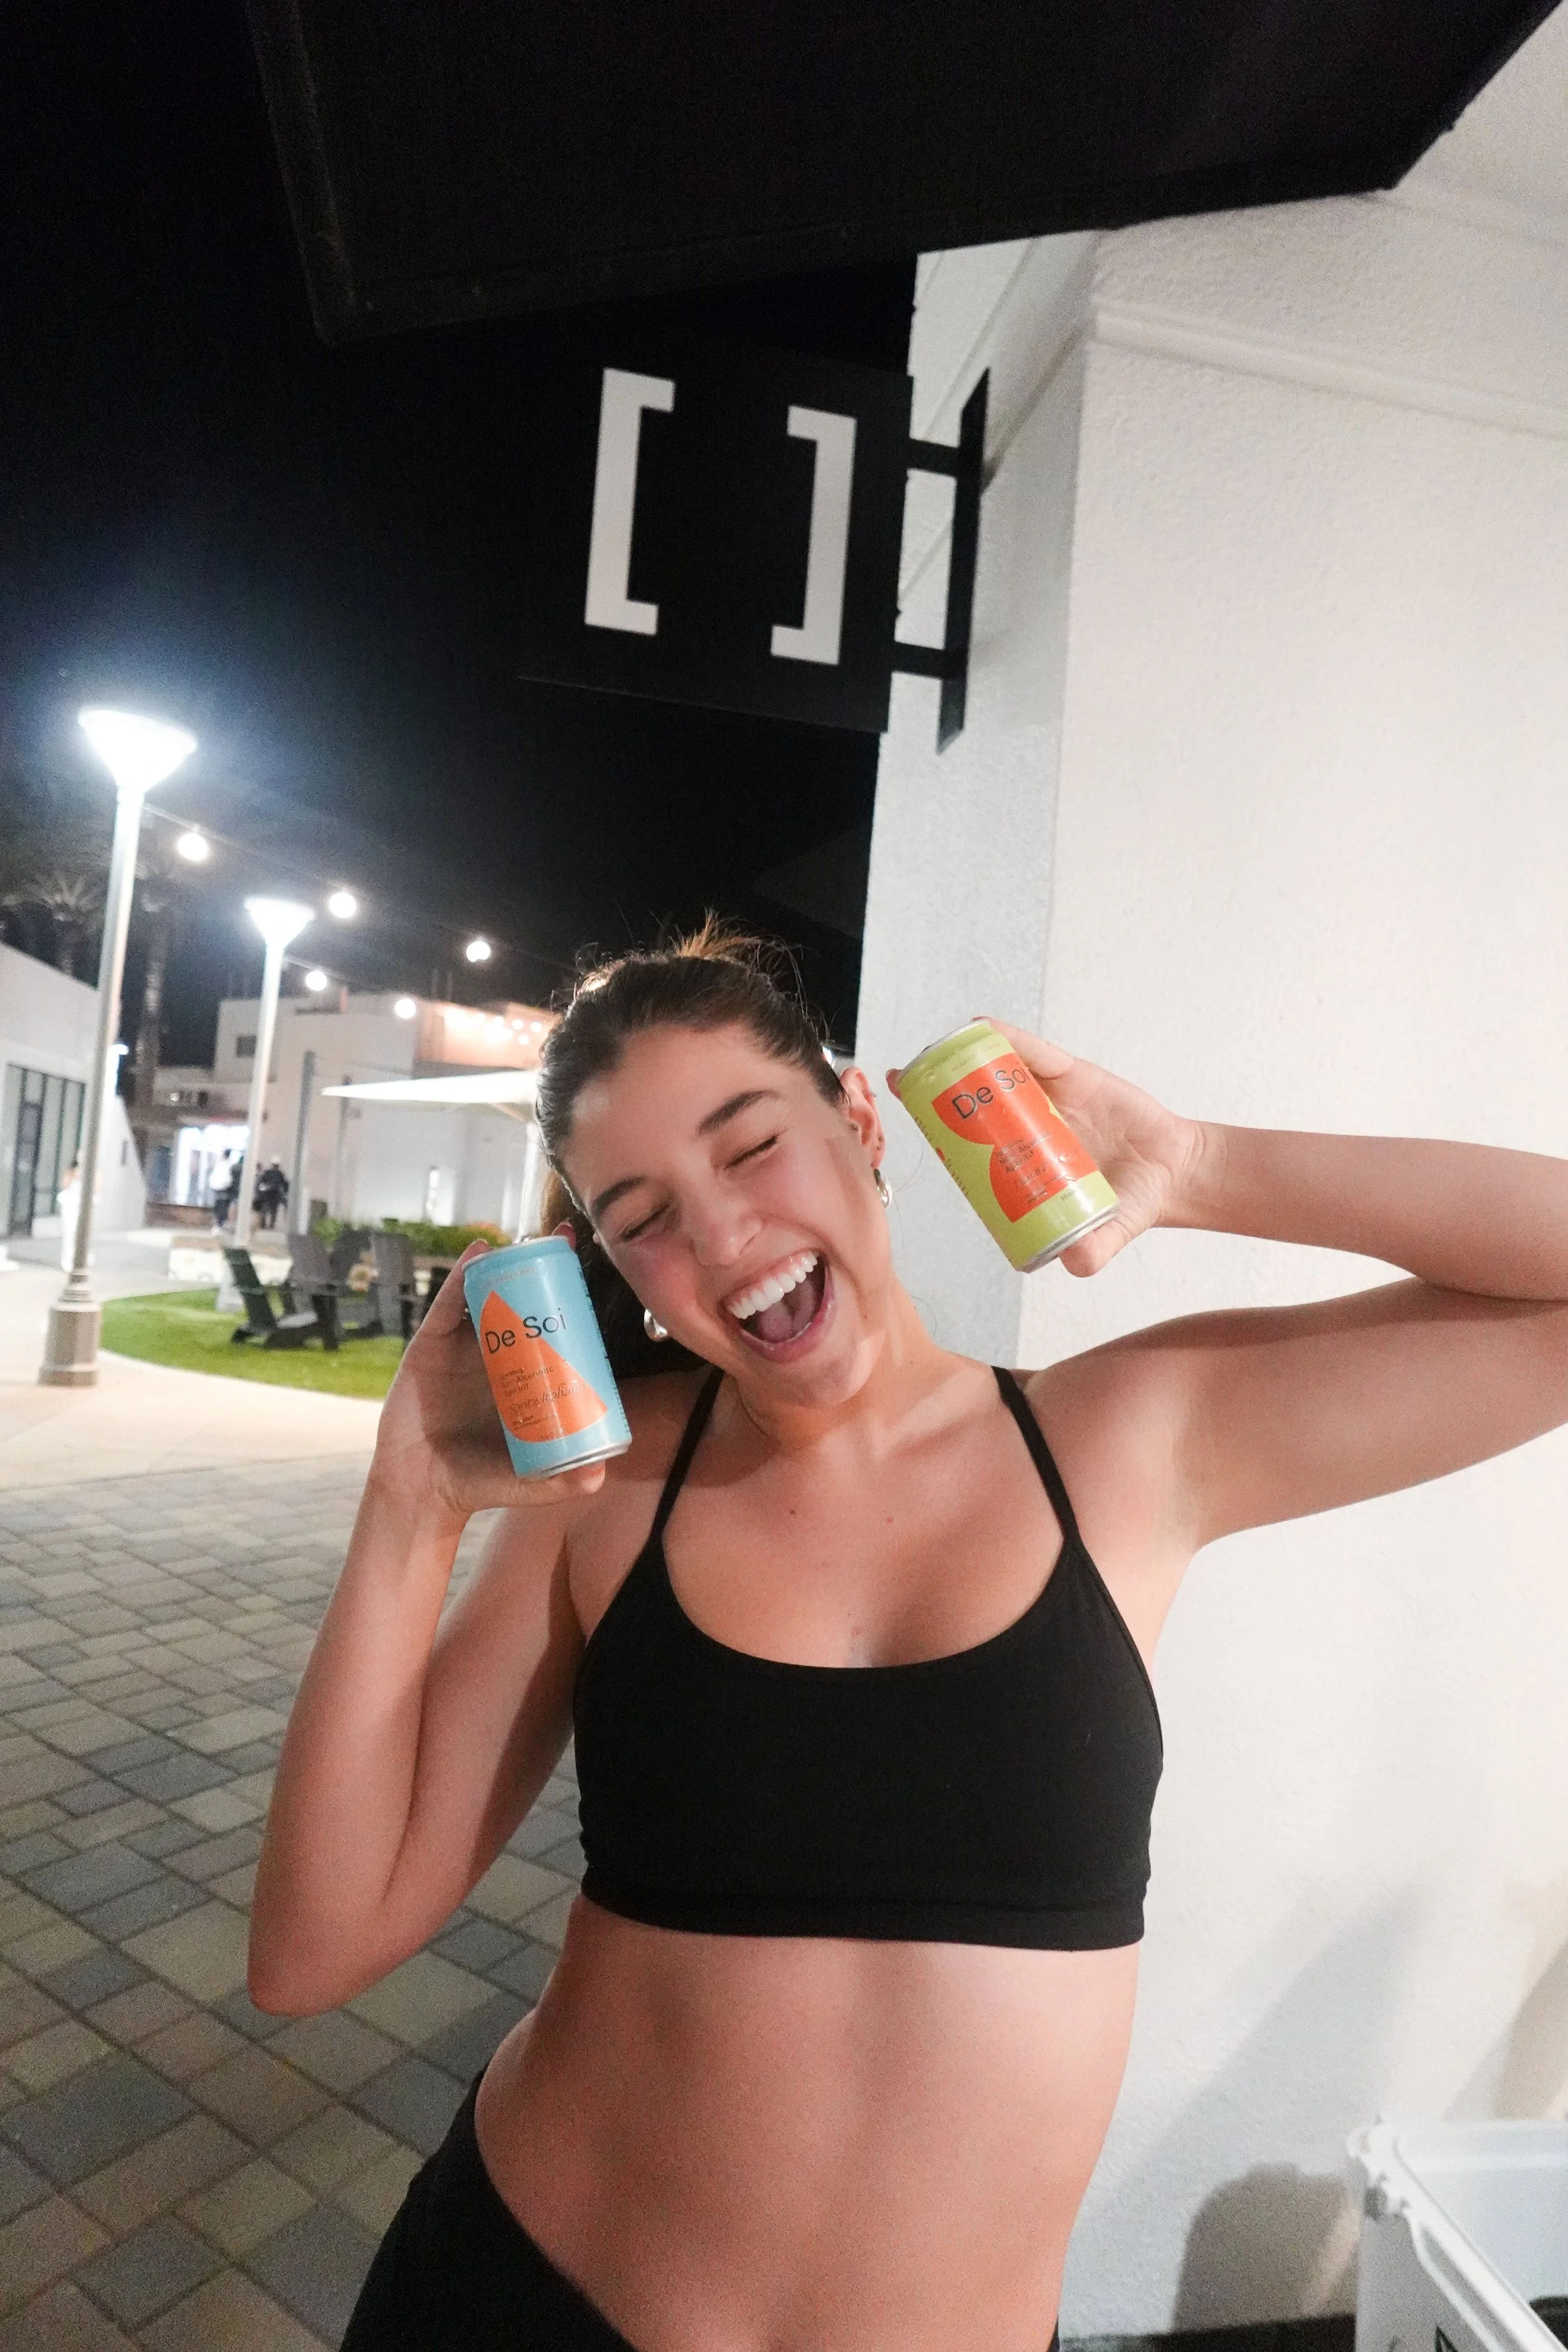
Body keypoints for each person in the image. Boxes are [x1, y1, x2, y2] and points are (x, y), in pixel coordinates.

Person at [250, 925, 1568, 2352]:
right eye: (645, 1216)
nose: (723, 1237)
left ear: (862, 1121)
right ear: (612, 1264)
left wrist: (1193, 1163)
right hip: (526, 2302)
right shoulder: (603, 1493)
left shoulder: (1122, 1442)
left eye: (753, 1146)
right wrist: (412, 1502)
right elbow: (311, 1951)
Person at [255, 1160, 289, 1231]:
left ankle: (263, 1224)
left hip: (266, 1193)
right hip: (275, 1193)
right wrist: (285, 1192)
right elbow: (285, 1184)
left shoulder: (267, 1172)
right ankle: (271, 1225)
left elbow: (261, 1181)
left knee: (264, 1209)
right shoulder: (280, 1174)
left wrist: (260, 1192)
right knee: (274, 1210)